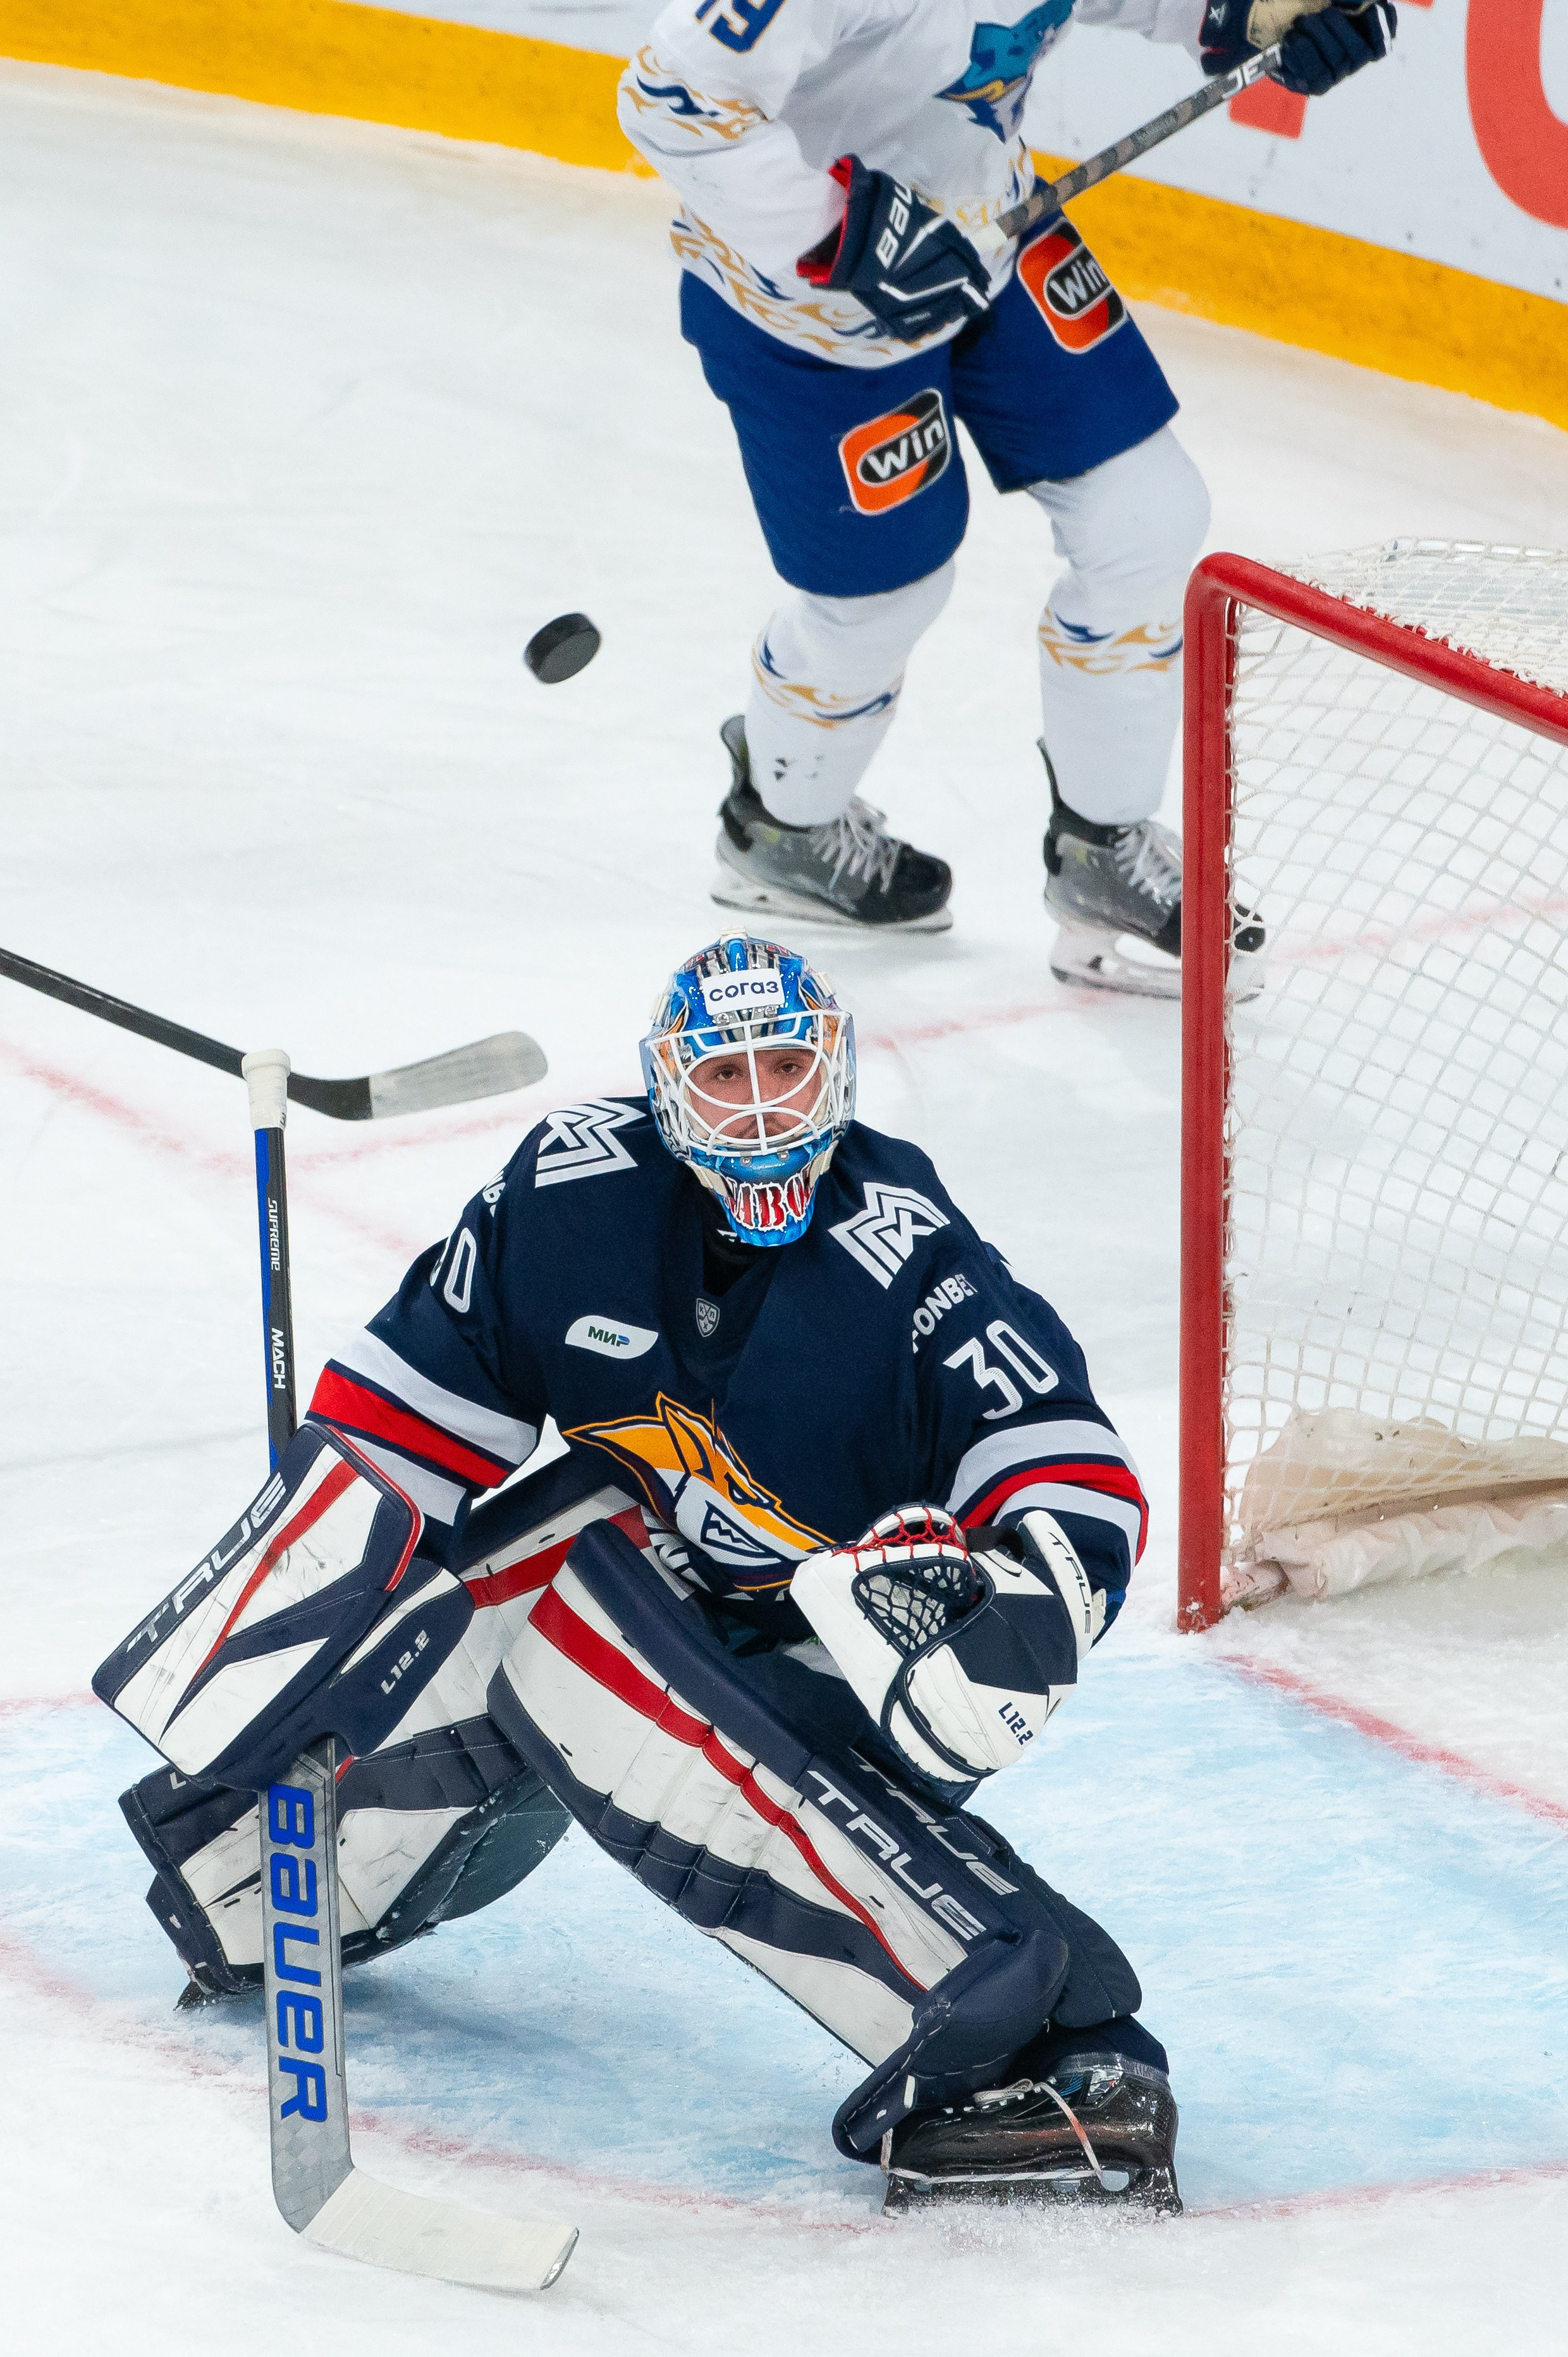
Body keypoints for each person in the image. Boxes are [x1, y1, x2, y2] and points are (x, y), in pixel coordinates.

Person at [101, 935, 1170, 2208]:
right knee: (562, 1556)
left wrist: (1028, 1600)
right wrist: (293, 1616)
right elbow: (398, 1429)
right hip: (653, 1590)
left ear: (835, 1070)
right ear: (669, 1092)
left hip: (822, 1643)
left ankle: (1015, 2037)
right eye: (728, 1073)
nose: (764, 1102)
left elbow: (1058, 1461)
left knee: (583, 1630)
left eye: (787, 1062)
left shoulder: (904, 1255)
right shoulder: (572, 1197)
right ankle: (260, 1861)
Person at [617, 0, 1393, 990]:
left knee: (1148, 517)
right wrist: (839, 229)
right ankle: (782, 825)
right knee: (882, 606)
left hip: (993, 234)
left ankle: (1100, 849)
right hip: (809, 316)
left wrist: (1250, 15)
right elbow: (671, 98)